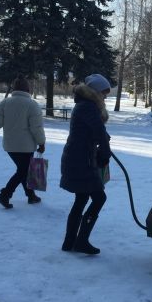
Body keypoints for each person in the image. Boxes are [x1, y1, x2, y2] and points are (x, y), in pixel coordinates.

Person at [60, 73, 111, 255]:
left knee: (81, 199)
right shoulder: (88, 107)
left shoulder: (84, 105)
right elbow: (98, 131)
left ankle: (70, 242)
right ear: (95, 92)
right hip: (82, 161)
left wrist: (103, 140)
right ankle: (81, 241)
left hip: (78, 158)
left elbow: (94, 130)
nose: (105, 97)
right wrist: (104, 154)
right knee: (99, 198)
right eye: (103, 93)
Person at [0, 76, 46, 208]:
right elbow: (36, 128)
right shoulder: (32, 105)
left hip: (10, 146)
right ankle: (5, 194)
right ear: (28, 89)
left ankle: (31, 196)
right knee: (23, 171)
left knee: (23, 170)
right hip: (26, 147)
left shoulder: (5, 103)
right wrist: (41, 143)